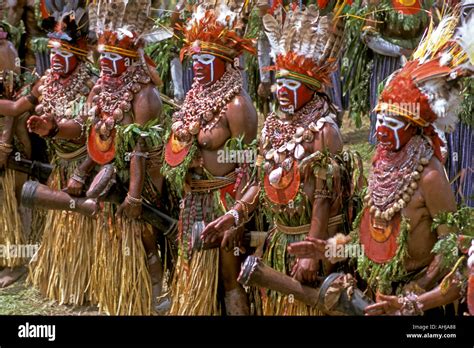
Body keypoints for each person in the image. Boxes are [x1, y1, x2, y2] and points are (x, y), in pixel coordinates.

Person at [289, 13, 474, 315]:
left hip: (417, 302)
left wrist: (417, 292)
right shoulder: (381, 162)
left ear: (413, 125)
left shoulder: (428, 176)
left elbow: (449, 246)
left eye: (391, 122)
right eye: (379, 120)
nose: (381, 130)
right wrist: (329, 248)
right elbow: (370, 238)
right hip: (378, 292)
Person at [203, 4, 362, 315]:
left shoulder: (324, 132)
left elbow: (323, 198)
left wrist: (310, 252)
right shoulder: (273, 126)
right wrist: (234, 215)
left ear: (312, 87)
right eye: (281, 85)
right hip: (281, 240)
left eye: (293, 85)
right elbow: (260, 184)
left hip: (315, 241)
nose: (283, 92)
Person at [29, 0, 172, 315]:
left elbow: (138, 149)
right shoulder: (99, 91)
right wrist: (80, 166)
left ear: (128, 60)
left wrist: (135, 195)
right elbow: (91, 135)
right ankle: (116, 289)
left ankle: (156, 284)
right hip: (111, 166)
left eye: (112, 57)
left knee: (144, 229)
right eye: (102, 56)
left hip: (144, 171)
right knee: (109, 222)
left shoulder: (144, 95)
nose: (104, 63)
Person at [162, 0, 258, 315]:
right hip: (195, 199)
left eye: (206, 59)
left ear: (225, 61)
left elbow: (248, 161)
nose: (197, 65)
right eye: (194, 58)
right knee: (192, 272)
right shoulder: (195, 96)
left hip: (225, 198)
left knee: (230, 277)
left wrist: (237, 217)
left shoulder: (235, 106)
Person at [0, 22, 30, 288]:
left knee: (8, 198)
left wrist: (5, 142)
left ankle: (15, 263)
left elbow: (14, 95)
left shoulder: (5, 49)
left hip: (5, 129)